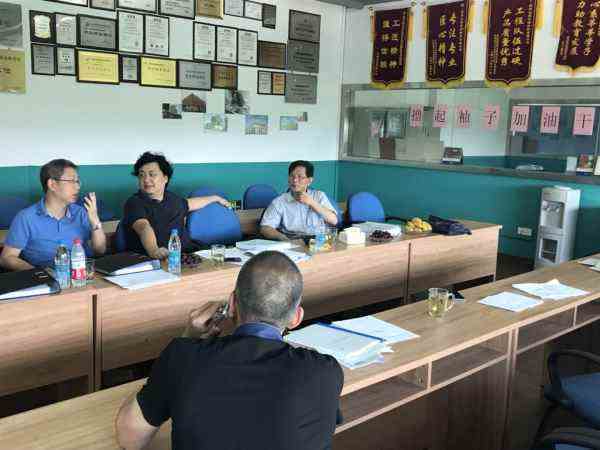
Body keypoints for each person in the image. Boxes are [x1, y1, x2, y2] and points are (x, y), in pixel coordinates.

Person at [116, 251, 344, 450]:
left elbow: (129, 439)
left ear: (232, 304)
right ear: (296, 318)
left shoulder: (183, 357)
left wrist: (187, 339)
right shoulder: (325, 372)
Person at [0, 159, 106, 271]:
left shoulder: (80, 213)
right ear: (52, 184)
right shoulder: (26, 217)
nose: (77, 187)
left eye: (78, 182)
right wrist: (39, 274)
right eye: (72, 181)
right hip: (44, 277)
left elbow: (100, 251)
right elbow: (7, 258)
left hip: (80, 275)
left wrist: (95, 222)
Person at [122, 152, 230, 258]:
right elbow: (143, 227)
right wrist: (154, 250)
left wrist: (215, 198)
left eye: (152, 174)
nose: (146, 180)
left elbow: (190, 203)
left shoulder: (172, 198)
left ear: (165, 178)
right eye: (141, 175)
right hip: (158, 259)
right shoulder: (134, 202)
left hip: (188, 255)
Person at [260, 160, 338, 241]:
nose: (295, 180)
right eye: (292, 176)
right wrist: (283, 238)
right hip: (292, 240)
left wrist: (312, 203)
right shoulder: (279, 201)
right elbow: (265, 227)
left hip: (319, 240)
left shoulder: (319, 196)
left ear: (309, 180)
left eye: (300, 177)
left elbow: (334, 220)